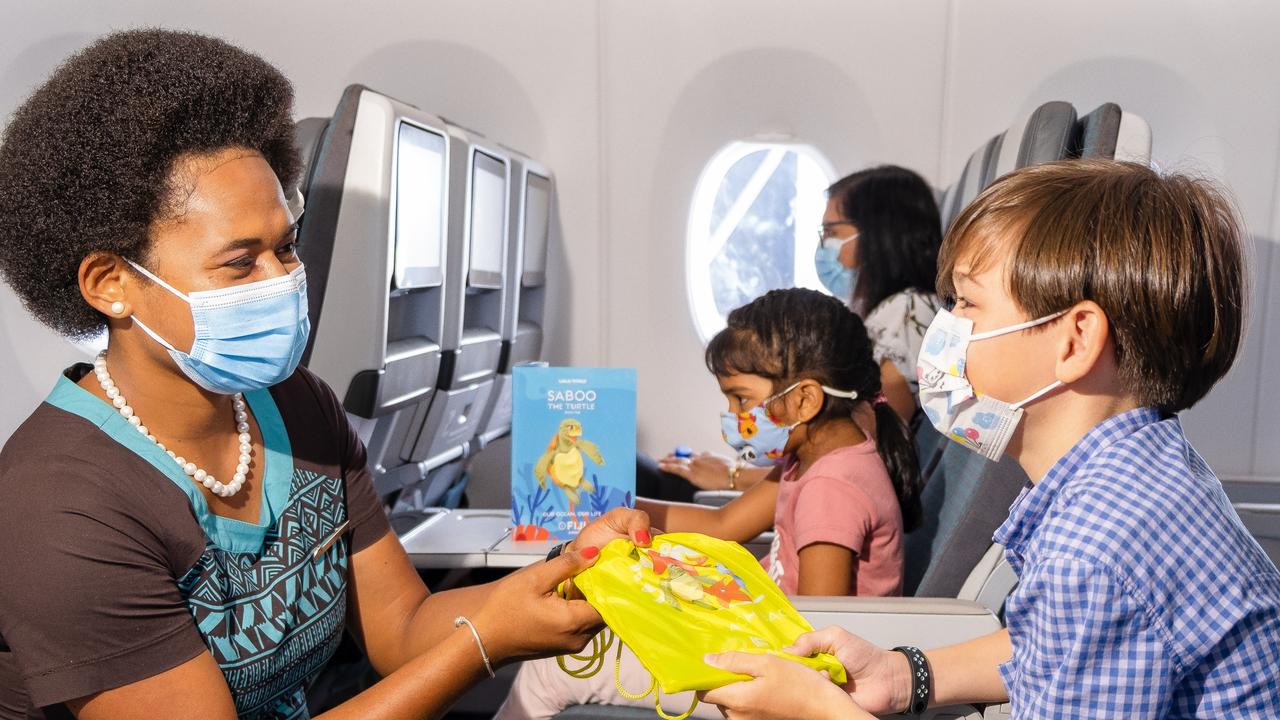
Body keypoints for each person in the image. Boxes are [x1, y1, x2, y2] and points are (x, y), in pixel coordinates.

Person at [0, 30, 651, 720]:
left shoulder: (296, 405)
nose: (284, 281)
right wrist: (484, 644)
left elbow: (401, 628)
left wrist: (565, 578)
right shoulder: (59, 505)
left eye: (286, 247)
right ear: (111, 284)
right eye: (240, 262)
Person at [697, 161, 1280, 719]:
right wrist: (901, 675)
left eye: (967, 304)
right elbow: (1045, 644)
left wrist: (817, 714)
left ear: (1074, 343)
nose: (943, 331)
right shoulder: (1130, 468)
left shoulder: (1096, 550)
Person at [497, 288, 923, 719]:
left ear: (805, 399)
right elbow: (723, 524)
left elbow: (818, 624)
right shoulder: (813, 458)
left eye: (741, 398)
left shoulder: (832, 489)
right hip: (760, 642)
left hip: (776, 674)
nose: (732, 413)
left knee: (548, 669)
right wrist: (614, 507)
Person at [653, 165, 943, 495]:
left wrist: (733, 476)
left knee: (655, 479)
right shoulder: (884, 314)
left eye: (832, 233)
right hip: (807, 481)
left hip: (830, 492)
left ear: (879, 234)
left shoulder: (908, 312)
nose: (824, 246)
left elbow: (862, 450)